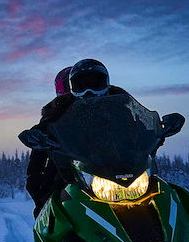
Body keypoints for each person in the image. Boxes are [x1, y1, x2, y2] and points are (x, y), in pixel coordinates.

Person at [25, 59, 128, 215]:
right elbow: (45, 128)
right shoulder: (59, 109)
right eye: (82, 85)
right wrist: (34, 176)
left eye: (94, 84)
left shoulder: (119, 104)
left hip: (118, 165)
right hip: (72, 166)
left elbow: (138, 126)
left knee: (159, 189)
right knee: (51, 201)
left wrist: (155, 132)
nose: (89, 92)